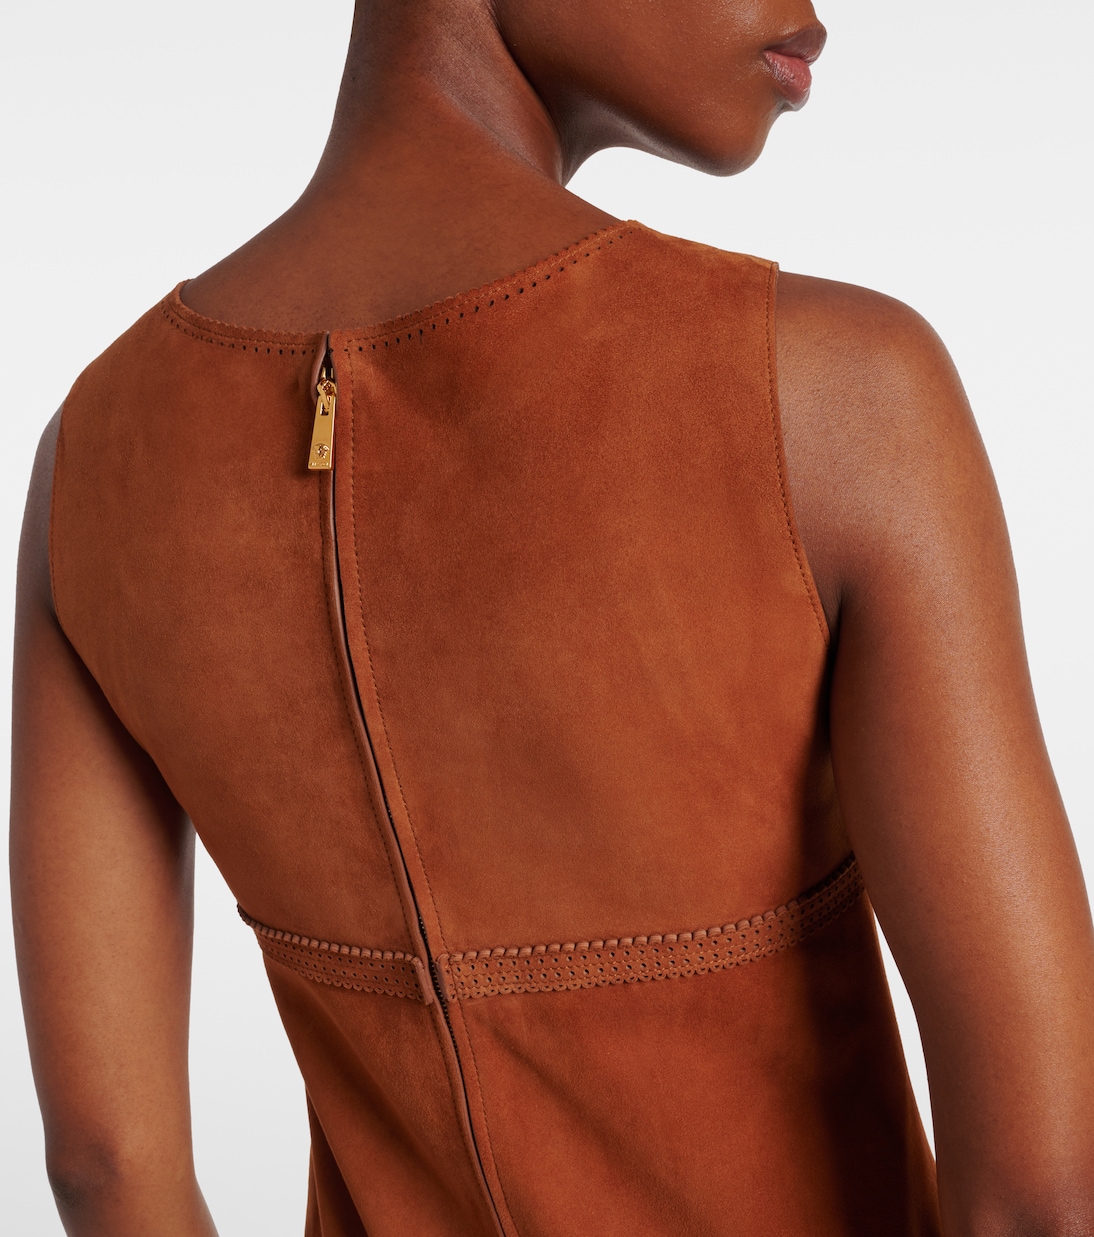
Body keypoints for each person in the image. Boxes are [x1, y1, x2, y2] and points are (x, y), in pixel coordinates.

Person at [11, 1, 1094, 1234]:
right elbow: (1041, 1194)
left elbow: (104, 1164)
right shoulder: (835, 394)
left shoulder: (92, 458)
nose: (811, 13)